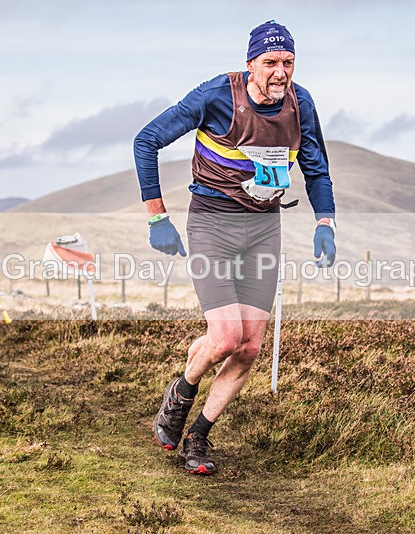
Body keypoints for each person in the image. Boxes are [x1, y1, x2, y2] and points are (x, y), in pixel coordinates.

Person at [133, 20, 336, 475]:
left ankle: (198, 439)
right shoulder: (217, 95)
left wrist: (326, 222)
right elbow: (146, 140)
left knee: (249, 349)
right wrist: (158, 217)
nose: (281, 72)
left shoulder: (301, 104)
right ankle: (181, 394)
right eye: (271, 63)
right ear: (251, 65)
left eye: (288, 62)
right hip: (212, 225)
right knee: (225, 338)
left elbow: (316, 167)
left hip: (264, 229)